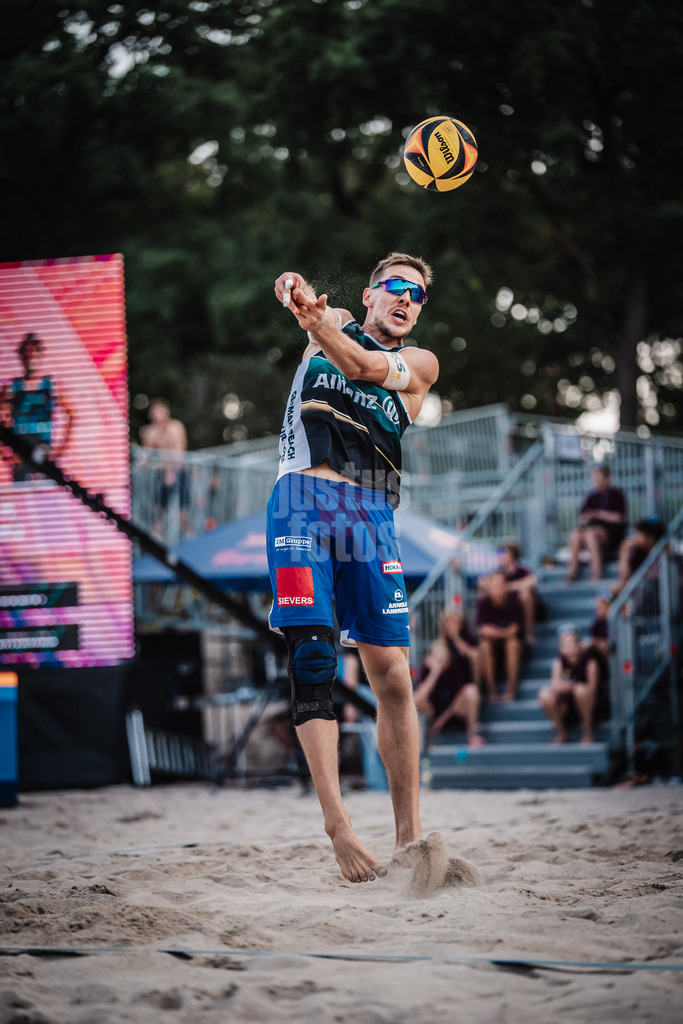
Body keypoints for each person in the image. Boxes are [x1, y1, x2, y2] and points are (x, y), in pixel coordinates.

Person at [267, 253, 439, 883]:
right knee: (313, 660)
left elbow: (362, 365)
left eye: (417, 295)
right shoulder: (332, 322)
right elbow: (311, 307)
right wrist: (296, 292)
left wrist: (316, 323)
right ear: (369, 294)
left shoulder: (419, 366)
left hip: (369, 514)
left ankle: (410, 838)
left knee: (392, 676)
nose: (407, 299)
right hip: (301, 505)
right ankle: (337, 826)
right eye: (395, 287)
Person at [0, 333, 74, 481]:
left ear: (39, 354)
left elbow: (71, 416)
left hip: (44, 457)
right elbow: (3, 423)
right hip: (21, 459)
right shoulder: (11, 388)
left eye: (33, 351)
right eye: (26, 352)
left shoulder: (52, 386)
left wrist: (59, 450)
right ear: (21, 356)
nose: (30, 356)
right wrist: (5, 453)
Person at [538, 626, 609, 744]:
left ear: (578, 644)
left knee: (580, 691)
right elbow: (556, 684)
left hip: (589, 704)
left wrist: (574, 687)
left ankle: (588, 732)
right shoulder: (559, 662)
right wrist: (564, 687)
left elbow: (593, 689)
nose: (568, 647)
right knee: (544, 694)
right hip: (567, 705)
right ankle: (562, 733)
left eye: (571, 643)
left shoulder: (590, 662)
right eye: (564, 644)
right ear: (560, 647)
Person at [413, 633, 485, 745]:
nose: (440, 660)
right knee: (416, 700)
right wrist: (435, 672)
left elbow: (459, 697)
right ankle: (427, 740)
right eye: (436, 656)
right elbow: (420, 696)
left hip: (452, 712)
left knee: (471, 691)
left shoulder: (455, 668)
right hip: (434, 713)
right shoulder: (427, 670)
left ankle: (473, 736)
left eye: (442, 656)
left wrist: (443, 719)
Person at [567, 465, 627, 581]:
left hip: (611, 535)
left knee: (590, 534)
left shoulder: (617, 494)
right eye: (595, 479)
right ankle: (573, 570)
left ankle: (597, 572)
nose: (597, 482)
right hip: (592, 529)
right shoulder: (591, 496)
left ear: (607, 478)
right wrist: (588, 517)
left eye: (599, 479)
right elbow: (582, 517)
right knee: (576, 533)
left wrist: (598, 514)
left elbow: (619, 518)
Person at [140, 398, 188, 536]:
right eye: (155, 412)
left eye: (161, 411)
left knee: (181, 510)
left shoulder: (176, 427)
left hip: (179, 472)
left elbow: (179, 451)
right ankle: (155, 539)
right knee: (158, 509)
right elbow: (146, 455)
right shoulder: (150, 432)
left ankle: (189, 536)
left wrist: (172, 471)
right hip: (162, 473)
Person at [475, 571, 524, 701]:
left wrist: (496, 633)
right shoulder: (483, 602)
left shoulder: (514, 601)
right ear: (489, 588)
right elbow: (482, 630)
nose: (498, 588)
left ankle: (511, 688)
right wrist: (502, 633)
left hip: (511, 644)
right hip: (493, 644)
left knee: (512, 644)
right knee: (484, 645)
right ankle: (491, 690)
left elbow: (515, 630)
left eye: (501, 584)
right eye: (495, 585)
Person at [494, 543, 538, 646]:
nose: (500, 556)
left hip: (524, 604)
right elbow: (484, 583)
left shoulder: (522, 570)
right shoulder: (499, 572)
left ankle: (529, 632)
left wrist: (508, 586)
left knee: (525, 595)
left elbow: (532, 581)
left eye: (503, 553)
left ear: (512, 555)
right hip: (507, 604)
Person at [611, 516, 666, 599]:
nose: (635, 537)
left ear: (651, 538)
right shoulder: (638, 553)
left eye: (640, 534)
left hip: (659, 595)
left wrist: (644, 575)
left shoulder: (665, 552)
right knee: (614, 589)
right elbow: (624, 575)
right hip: (644, 594)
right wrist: (624, 550)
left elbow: (665, 575)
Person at [589, 592, 611, 660]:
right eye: (598, 606)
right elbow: (594, 641)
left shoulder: (617, 621)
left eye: (602, 605)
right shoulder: (596, 624)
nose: (598, 608)